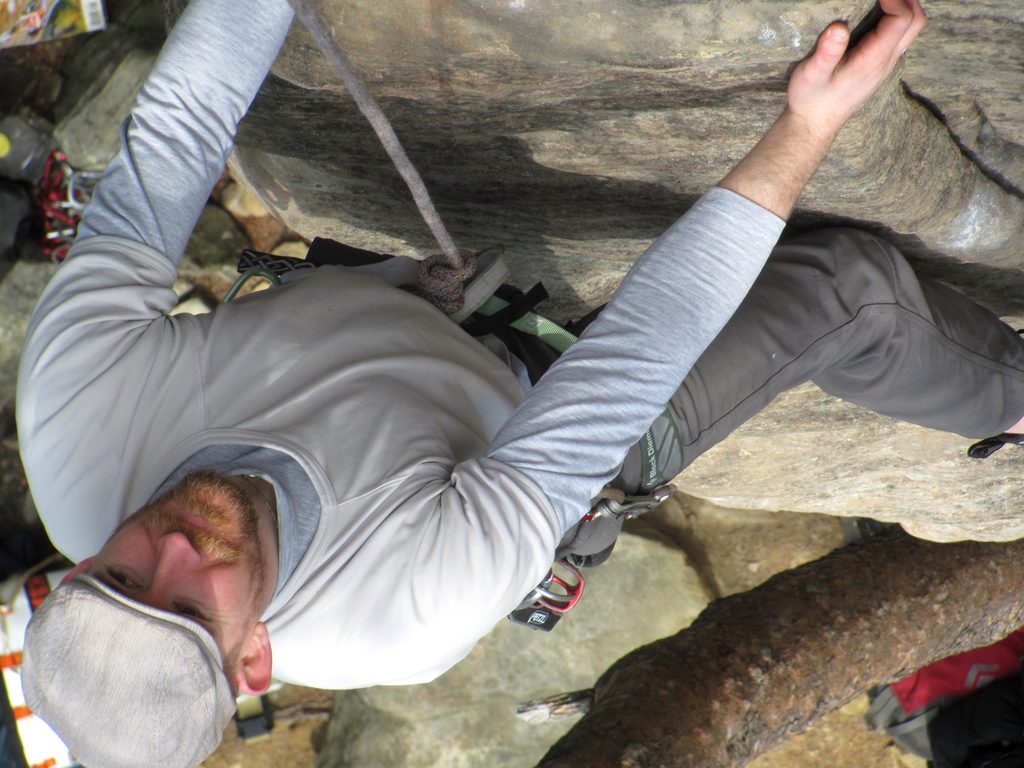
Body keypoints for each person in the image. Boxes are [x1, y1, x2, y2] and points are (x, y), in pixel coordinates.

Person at [15, 0, 974, 766]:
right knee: (848, 290)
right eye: (187, 608)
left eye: (127, 575)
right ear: (253, 656)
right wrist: (806, 126)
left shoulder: (73, 424)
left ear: (83, 565)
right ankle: (1008, 406)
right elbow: (632, 355)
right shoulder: (401, 613)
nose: (177, 548)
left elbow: (172, 146)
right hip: (527, 417)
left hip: (361, 313)